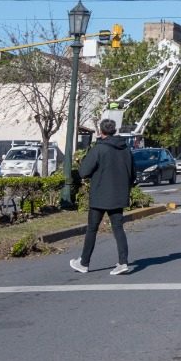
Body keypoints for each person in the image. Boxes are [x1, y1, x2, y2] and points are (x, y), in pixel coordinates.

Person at [70, 118, 135, 276]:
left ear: (101, 131)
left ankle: (84, 263)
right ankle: (123, 262)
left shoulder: (99, 149)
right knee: (118, 229)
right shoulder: (125, 149)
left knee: (92, 229)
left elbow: (84, 171)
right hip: (119, 195)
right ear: (114, 130)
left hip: (100, 195)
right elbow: (133, 173)